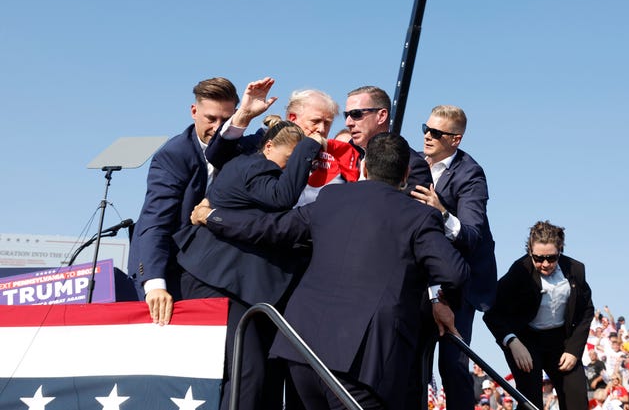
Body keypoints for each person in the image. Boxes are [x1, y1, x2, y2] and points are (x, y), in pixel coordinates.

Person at [190, 132, 470, 410]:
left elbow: (272, 229)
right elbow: (455, 273)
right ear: (407, 173)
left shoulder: (330, 199)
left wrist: (213, 216)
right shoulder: (419, 216)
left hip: (303, 349)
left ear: (364, 167)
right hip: (362, 362)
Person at [174, 116, 323, 410]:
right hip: (221, 282)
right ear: (268, 147)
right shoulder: (256, 166)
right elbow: (282, 197)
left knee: (255, 373)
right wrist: (308, 147)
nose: (290, 168)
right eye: (289, 159)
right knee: (246, 372)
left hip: (236, 285)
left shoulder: (257, 167)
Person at [127, 76, 277, 325]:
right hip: (170, 271)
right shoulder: (173, 156)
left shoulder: (243, 148)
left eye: (225, 120)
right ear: (194, 111)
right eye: (211, 118)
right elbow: (155, 222)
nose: (218, 127)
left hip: (215, 273)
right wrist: (154, 284)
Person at [410, 105, 497, 410]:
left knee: (452, 363)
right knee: (415, 361)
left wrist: (442, 211)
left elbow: (472, 236)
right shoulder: (415, 163)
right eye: (425, 129)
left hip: (461, 283)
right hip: (423, 279)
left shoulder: (471, 175)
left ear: (456, 139)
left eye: (436, 133)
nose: (427, 137)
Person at [483, 220, 594, 410]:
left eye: (551, 258)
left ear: (560, 251)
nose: (545, 264)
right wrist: (512, 342)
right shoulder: (519, 271)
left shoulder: (575, 270)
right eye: (538, 258)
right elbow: (492, 312)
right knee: (531, 400)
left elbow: (586, 310)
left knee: (576, 397)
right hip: (526, 342)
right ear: (530, 252)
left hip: (562, 343)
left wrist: (574, 350)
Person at [205, 88, 358, 207]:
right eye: (315, 121)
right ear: (293, 118)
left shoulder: (336, 154)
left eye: (327, 123)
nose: (321, 129)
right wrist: (244, 115)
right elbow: (217, 156)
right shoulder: (263, 141)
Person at [343, 85, 432, 192]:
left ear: (381, 116)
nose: (348, 123)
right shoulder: (344, 154)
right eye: (346, 115)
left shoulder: (413, 165)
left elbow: (411, 208)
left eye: (356, 114)